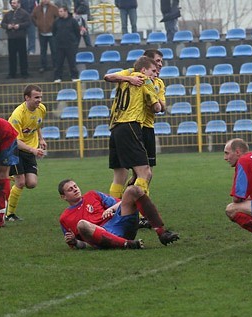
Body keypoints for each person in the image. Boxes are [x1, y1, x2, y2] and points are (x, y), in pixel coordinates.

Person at [58, 179, 179, 249]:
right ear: (63, 197)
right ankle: (127, 244)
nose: (75, 189)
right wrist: (74, 242)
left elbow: (121, 203)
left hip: (119, 223)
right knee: (82, 225)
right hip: (104, 238)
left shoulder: (92, 195)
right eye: (70, 189)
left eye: (75, 186)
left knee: (133, 190)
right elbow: (84, 244)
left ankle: (162, 233)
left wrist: (112, 209)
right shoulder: (65, 218)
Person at [108, 56, 160, 200]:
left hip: (115, 127)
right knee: (145, 173)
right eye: (153, 71)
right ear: (143, 70)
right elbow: (157, 107)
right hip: (130, 125)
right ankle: (136, 211)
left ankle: (113, 213)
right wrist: (156, 96)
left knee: (120, 176)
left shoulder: (124, 78)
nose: (155, 74)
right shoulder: (145, 80)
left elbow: (108, 77)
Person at [6, 84, 47, 221]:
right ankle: (9, 214)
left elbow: (38, 124)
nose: (39, 100)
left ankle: (11, 175)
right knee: (21, 182)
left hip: (30, 149)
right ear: (27, 98)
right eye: (36, 97)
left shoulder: (41, 109)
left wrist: (41, 139)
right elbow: (15, 141)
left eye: (40, 97)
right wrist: (33, 150)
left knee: (32, 183)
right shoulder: (18, 115)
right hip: (14, 149)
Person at [1, 0, 31, 79]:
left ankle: (24, 73)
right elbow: (2, 23)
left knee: (23, 56)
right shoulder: (8, 14)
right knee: (12, 56)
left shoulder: (24, 13)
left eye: (14, 3)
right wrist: (8, 26)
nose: (12, 4)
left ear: (18, 3)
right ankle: (12, 73)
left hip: (21, 37)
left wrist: (19, 26)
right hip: (11, 38)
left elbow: (28, 23)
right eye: (11, 3)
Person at [52, 5, 80, 83]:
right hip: (60, 46)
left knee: (72, 62)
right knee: (58, 63)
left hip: (70, 45)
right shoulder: (56, 21)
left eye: (61, 11)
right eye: (59, 11)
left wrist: (75, 43)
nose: (59, 13)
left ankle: (74, 76)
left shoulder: (73, 21)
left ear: (66, 11)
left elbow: (77, 33)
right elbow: (54, 32)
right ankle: (57, 77)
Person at [32, 0, 58, 73]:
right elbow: (32, 17)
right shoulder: (37, 8)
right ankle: (43, 66)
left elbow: (58, 18)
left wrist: (54, 26)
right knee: (43, 51)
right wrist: (37, 24)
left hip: (52, 33)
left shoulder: (54, 8)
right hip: (41, 33)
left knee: (54, 50)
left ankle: (55, 66)